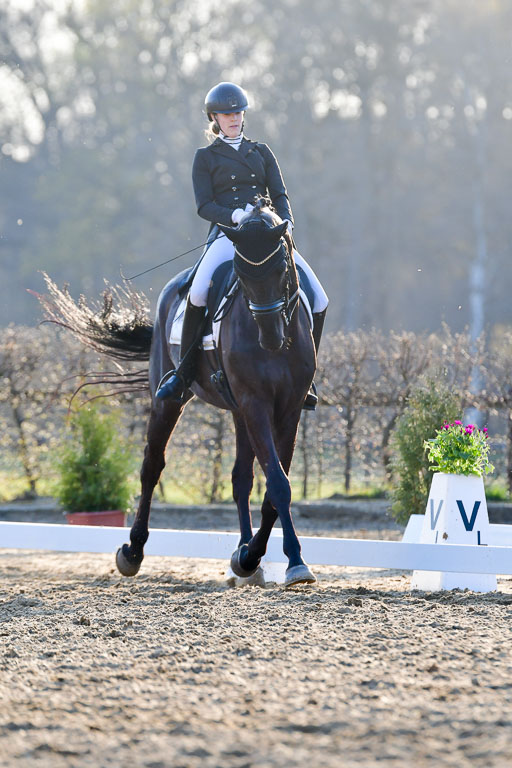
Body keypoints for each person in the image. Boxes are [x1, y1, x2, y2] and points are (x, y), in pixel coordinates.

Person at [156, 82, 328, 408]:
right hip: (228, 236)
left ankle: (306, 378)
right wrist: (233, 214)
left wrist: (285, 220)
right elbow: (203, 205)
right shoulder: (205, 157)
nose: (234, 118)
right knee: (197, 293)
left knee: (319, 297)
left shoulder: (261, 151)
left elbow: (280, 194)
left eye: (238, 112)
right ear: (214, 117)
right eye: (227, 114)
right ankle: (183, 372)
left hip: (268, 236)